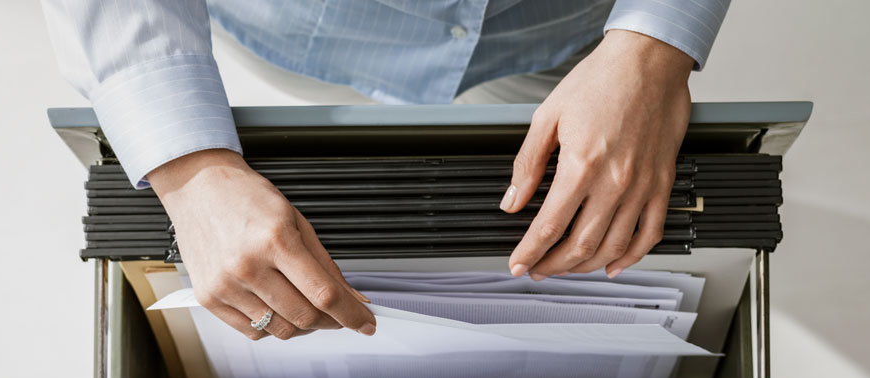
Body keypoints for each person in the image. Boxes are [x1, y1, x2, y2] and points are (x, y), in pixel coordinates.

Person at [44, 1, 728, 342]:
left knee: (580, 255)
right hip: (294, 37)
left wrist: (652, 43)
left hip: (565, 38)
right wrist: (191, 171)